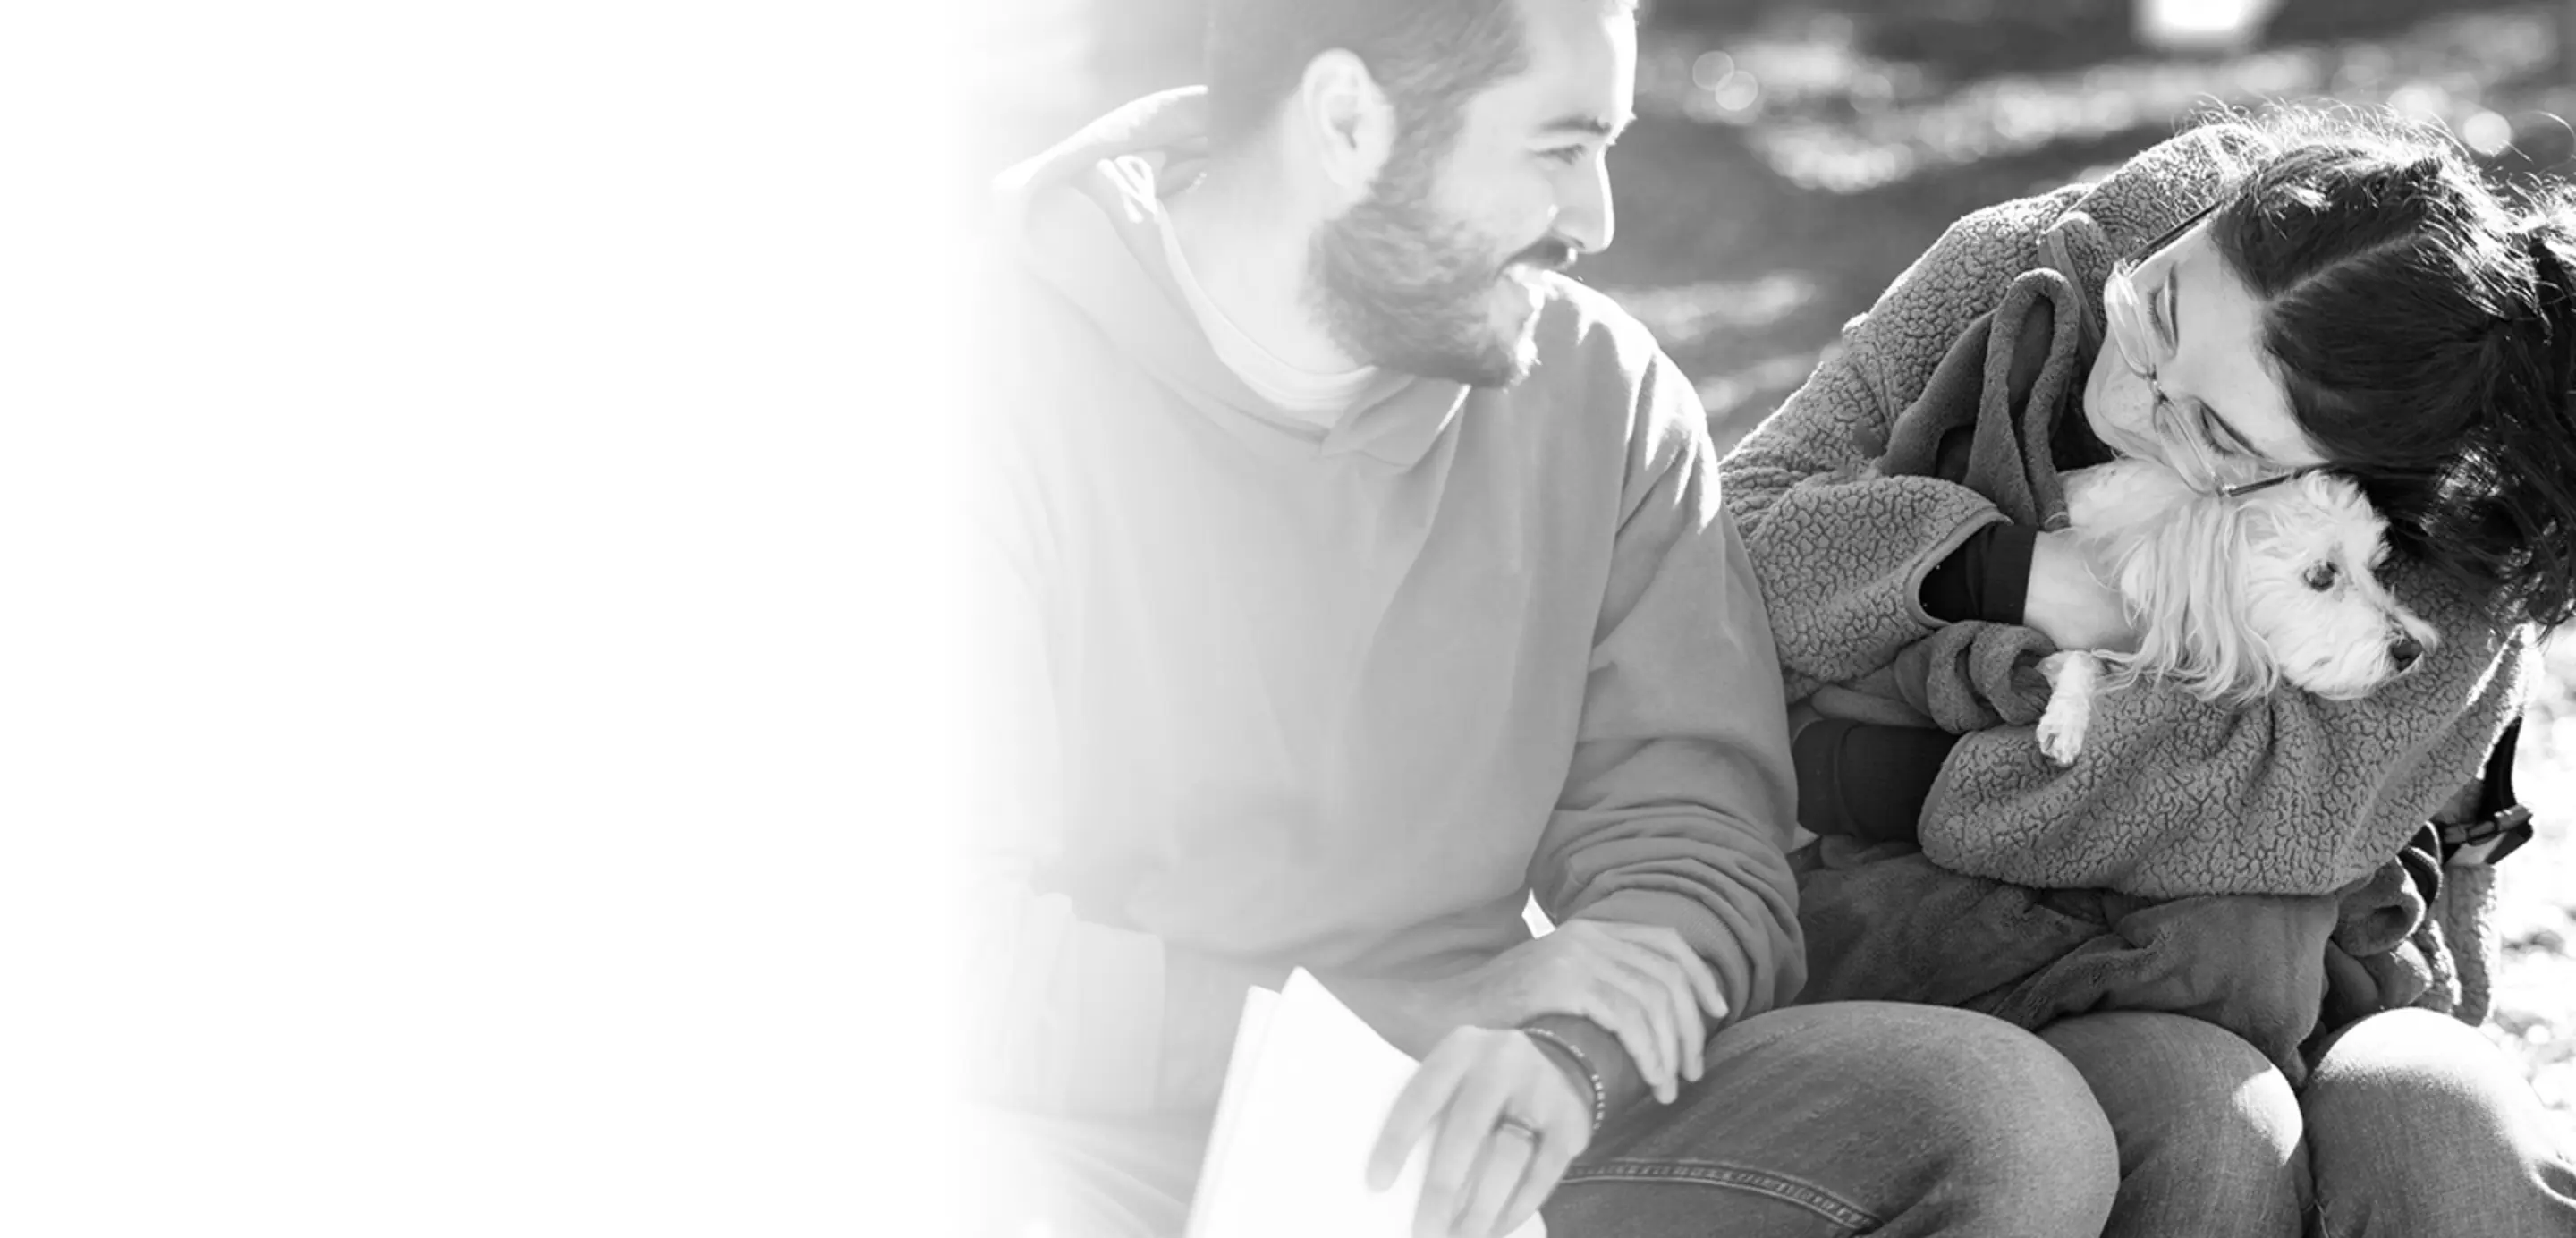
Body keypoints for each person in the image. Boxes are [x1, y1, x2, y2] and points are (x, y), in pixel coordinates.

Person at [960, 1, 2122, 1235]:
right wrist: (1408, 1013)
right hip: (1083, 1150)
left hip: (1479, 1121)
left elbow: (1693, 846)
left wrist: (1568, 1050)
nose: (1598, 219)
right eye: (1559, 147)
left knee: (1995, 1120)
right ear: (1347, 120)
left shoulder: (1600, 397)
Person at [1718, 104, 2576, 1237]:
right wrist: (2004, 570)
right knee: (2206, 1119)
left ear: (2357, 480)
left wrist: (1870, 771)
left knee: (2439, 1130)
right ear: (2204, 223)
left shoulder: (2456, 503)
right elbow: (1727, 539)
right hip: (1953, 940)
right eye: (2160, 306)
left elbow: (2279, 805)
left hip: (2333, 972)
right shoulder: (2021, 268)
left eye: (2219, 435)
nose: (2133, 394)